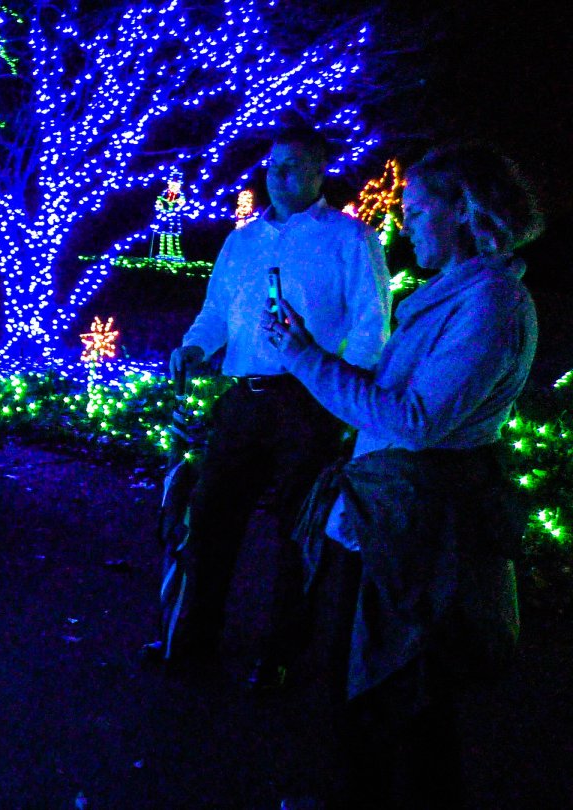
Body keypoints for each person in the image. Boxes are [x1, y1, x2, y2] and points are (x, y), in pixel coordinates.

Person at [267, 142, 540, 808]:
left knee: (403, 688)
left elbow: (416, 419)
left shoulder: (492, 303)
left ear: (465, 212)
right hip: (387, 514)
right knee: (369, 677)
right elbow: (397, 404)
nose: (405, 223)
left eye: (418, 210)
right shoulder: (451, 295)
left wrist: (305, 360)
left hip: (420, 529)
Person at [163, 121, 391, 686]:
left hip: (307, 403)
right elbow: (216, 309)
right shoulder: (243, 240)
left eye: (291, 166)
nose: (277, 175)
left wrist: (342, 393)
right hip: (244, 398)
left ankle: (281, 654)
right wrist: (195, 346)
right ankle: (194, 636)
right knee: (212, 517)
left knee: (297, 533)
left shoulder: (349, 238)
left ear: (319, 171)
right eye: (272, 165)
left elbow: (370, 323)